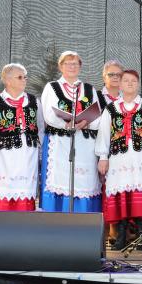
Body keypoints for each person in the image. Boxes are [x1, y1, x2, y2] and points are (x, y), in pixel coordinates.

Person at [96, 70, 142, 250]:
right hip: (118, 159)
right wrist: (103, 157)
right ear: (120, 85)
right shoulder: (111, 109)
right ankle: (121, 237)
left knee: (141, 195)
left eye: (134, 81)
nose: (129, 83)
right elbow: (104, 134)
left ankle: (141, 237)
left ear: (138, 84)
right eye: (126, 80)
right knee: (121, 196)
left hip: (141, 159)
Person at [38, 51, 102, 213]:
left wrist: (87, 122)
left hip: (84, 144)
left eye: (75, 64)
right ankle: (57, 217)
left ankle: (84, 218)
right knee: (60, 179)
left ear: (80, 67)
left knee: (84, 182)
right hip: (59, 142)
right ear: (60, 66)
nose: (72, 67)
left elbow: (98, 115)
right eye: (68, 63)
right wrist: (65, 123)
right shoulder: (52, 87)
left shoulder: (89, 89)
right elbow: (48, 113)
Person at [0, 63, 44, 211]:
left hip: (27, 157)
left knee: (24, 192)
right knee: (3, 191)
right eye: (20, 77)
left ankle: (22, 223)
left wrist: (39, 151)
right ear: (7, 80)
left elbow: (40, 128)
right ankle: (1, 223)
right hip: (4, 157)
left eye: (25, 77)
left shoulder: (34, 101)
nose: (24, 80)